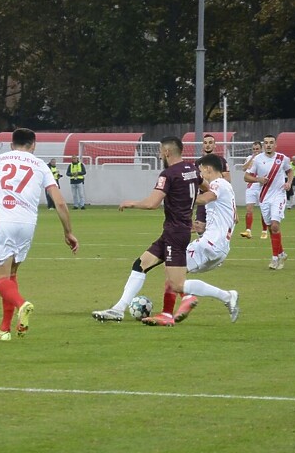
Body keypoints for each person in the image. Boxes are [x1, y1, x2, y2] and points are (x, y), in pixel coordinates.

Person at [92, 137, 238, 327]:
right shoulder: (192, 170)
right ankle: (118, 309)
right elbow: (205, 188)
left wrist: (132, 203)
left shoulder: (168, 174)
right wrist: (187, 204)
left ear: (167, 152)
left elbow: (153, 203)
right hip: (175, 230)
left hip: (176, 233)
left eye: (160, 151)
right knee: (141, 264)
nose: (160, 154)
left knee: (176, 282)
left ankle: (221, 297)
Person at [0, 128, 79, 341]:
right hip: (28, 223)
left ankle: (22, 304)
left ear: (12, 144)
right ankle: (4, 329)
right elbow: (59, 202)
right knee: (11, 275)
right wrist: (68, 232)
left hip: (3, 220)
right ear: (34, 145)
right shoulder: (41, 165)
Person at [173, 153, 241, 324]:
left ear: (208, 169)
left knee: (173, 270)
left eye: (201, 171)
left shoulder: (218, 183)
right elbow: (235, 218)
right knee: (177, 277)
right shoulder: (228, 188)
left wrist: (182, 199)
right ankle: (226, 296)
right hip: (220, 248)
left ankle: (170, 312)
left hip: (210, 243)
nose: (200, 175)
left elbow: (208, 197)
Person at [244, 134, 293, 270]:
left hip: (279, 195)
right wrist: (258, 179)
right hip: (264, 197)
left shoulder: (282, 158)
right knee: (271, 228)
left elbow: (290, 171)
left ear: (275, 145)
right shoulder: (257, 160)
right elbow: (246, 177)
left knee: (275, 225)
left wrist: (288, 183)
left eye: (271, 142)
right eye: (266, 143)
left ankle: (274, 258)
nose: (269, 145)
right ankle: (282, 253)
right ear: (263, 145)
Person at [194, 133, 230, 235]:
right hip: (204, 196)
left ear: (215, 145)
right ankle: (204, 246)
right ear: (203, 145)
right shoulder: (198, 162)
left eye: (210, 142)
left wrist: (213, 182)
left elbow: (227, 178)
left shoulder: (221, 161)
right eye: (205, 143)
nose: (208, 145)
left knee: (216, 226)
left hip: (217, 198)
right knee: (200, 227)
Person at [240, 141, 268, 240]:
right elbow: (243, 168)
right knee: (249, 209)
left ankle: (264, 231)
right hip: (251, 186)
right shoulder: (249, 158)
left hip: (261, 186)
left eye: (257, 149)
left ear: (261, 149)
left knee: (263, 210)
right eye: (254, 149)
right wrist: (252, 158)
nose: (256, 151)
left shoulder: (265, 159)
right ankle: (248, 231)